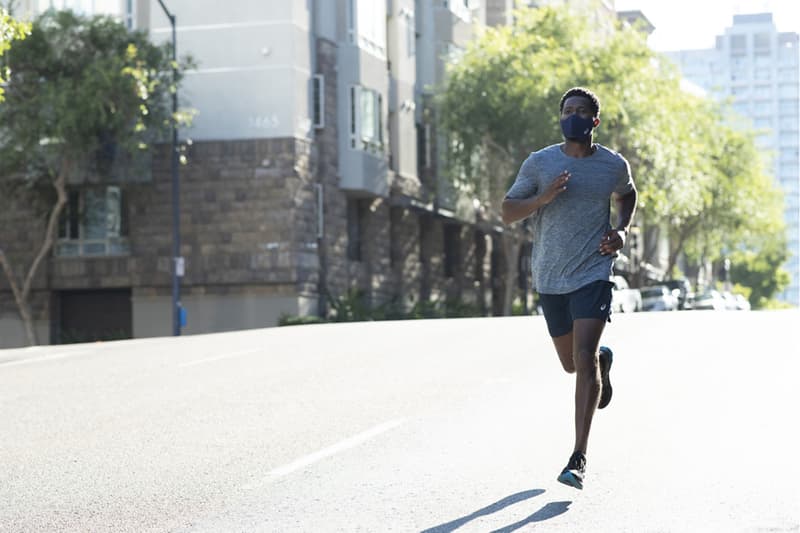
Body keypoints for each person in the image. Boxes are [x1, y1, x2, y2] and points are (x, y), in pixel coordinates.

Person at [501, 87, 637, 490]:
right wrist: (543, 197)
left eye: (581, 111)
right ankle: (601, 365)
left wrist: (621, 231)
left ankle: (578, 456)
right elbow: (508, 212)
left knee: (584, 353)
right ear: (560, 118)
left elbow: (627, 194)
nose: (573, 116)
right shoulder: (540, 163)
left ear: (594, 121)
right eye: (567, 111)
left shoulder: (612, 165)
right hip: (550, 275)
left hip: (593, 271)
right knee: (572, 364)